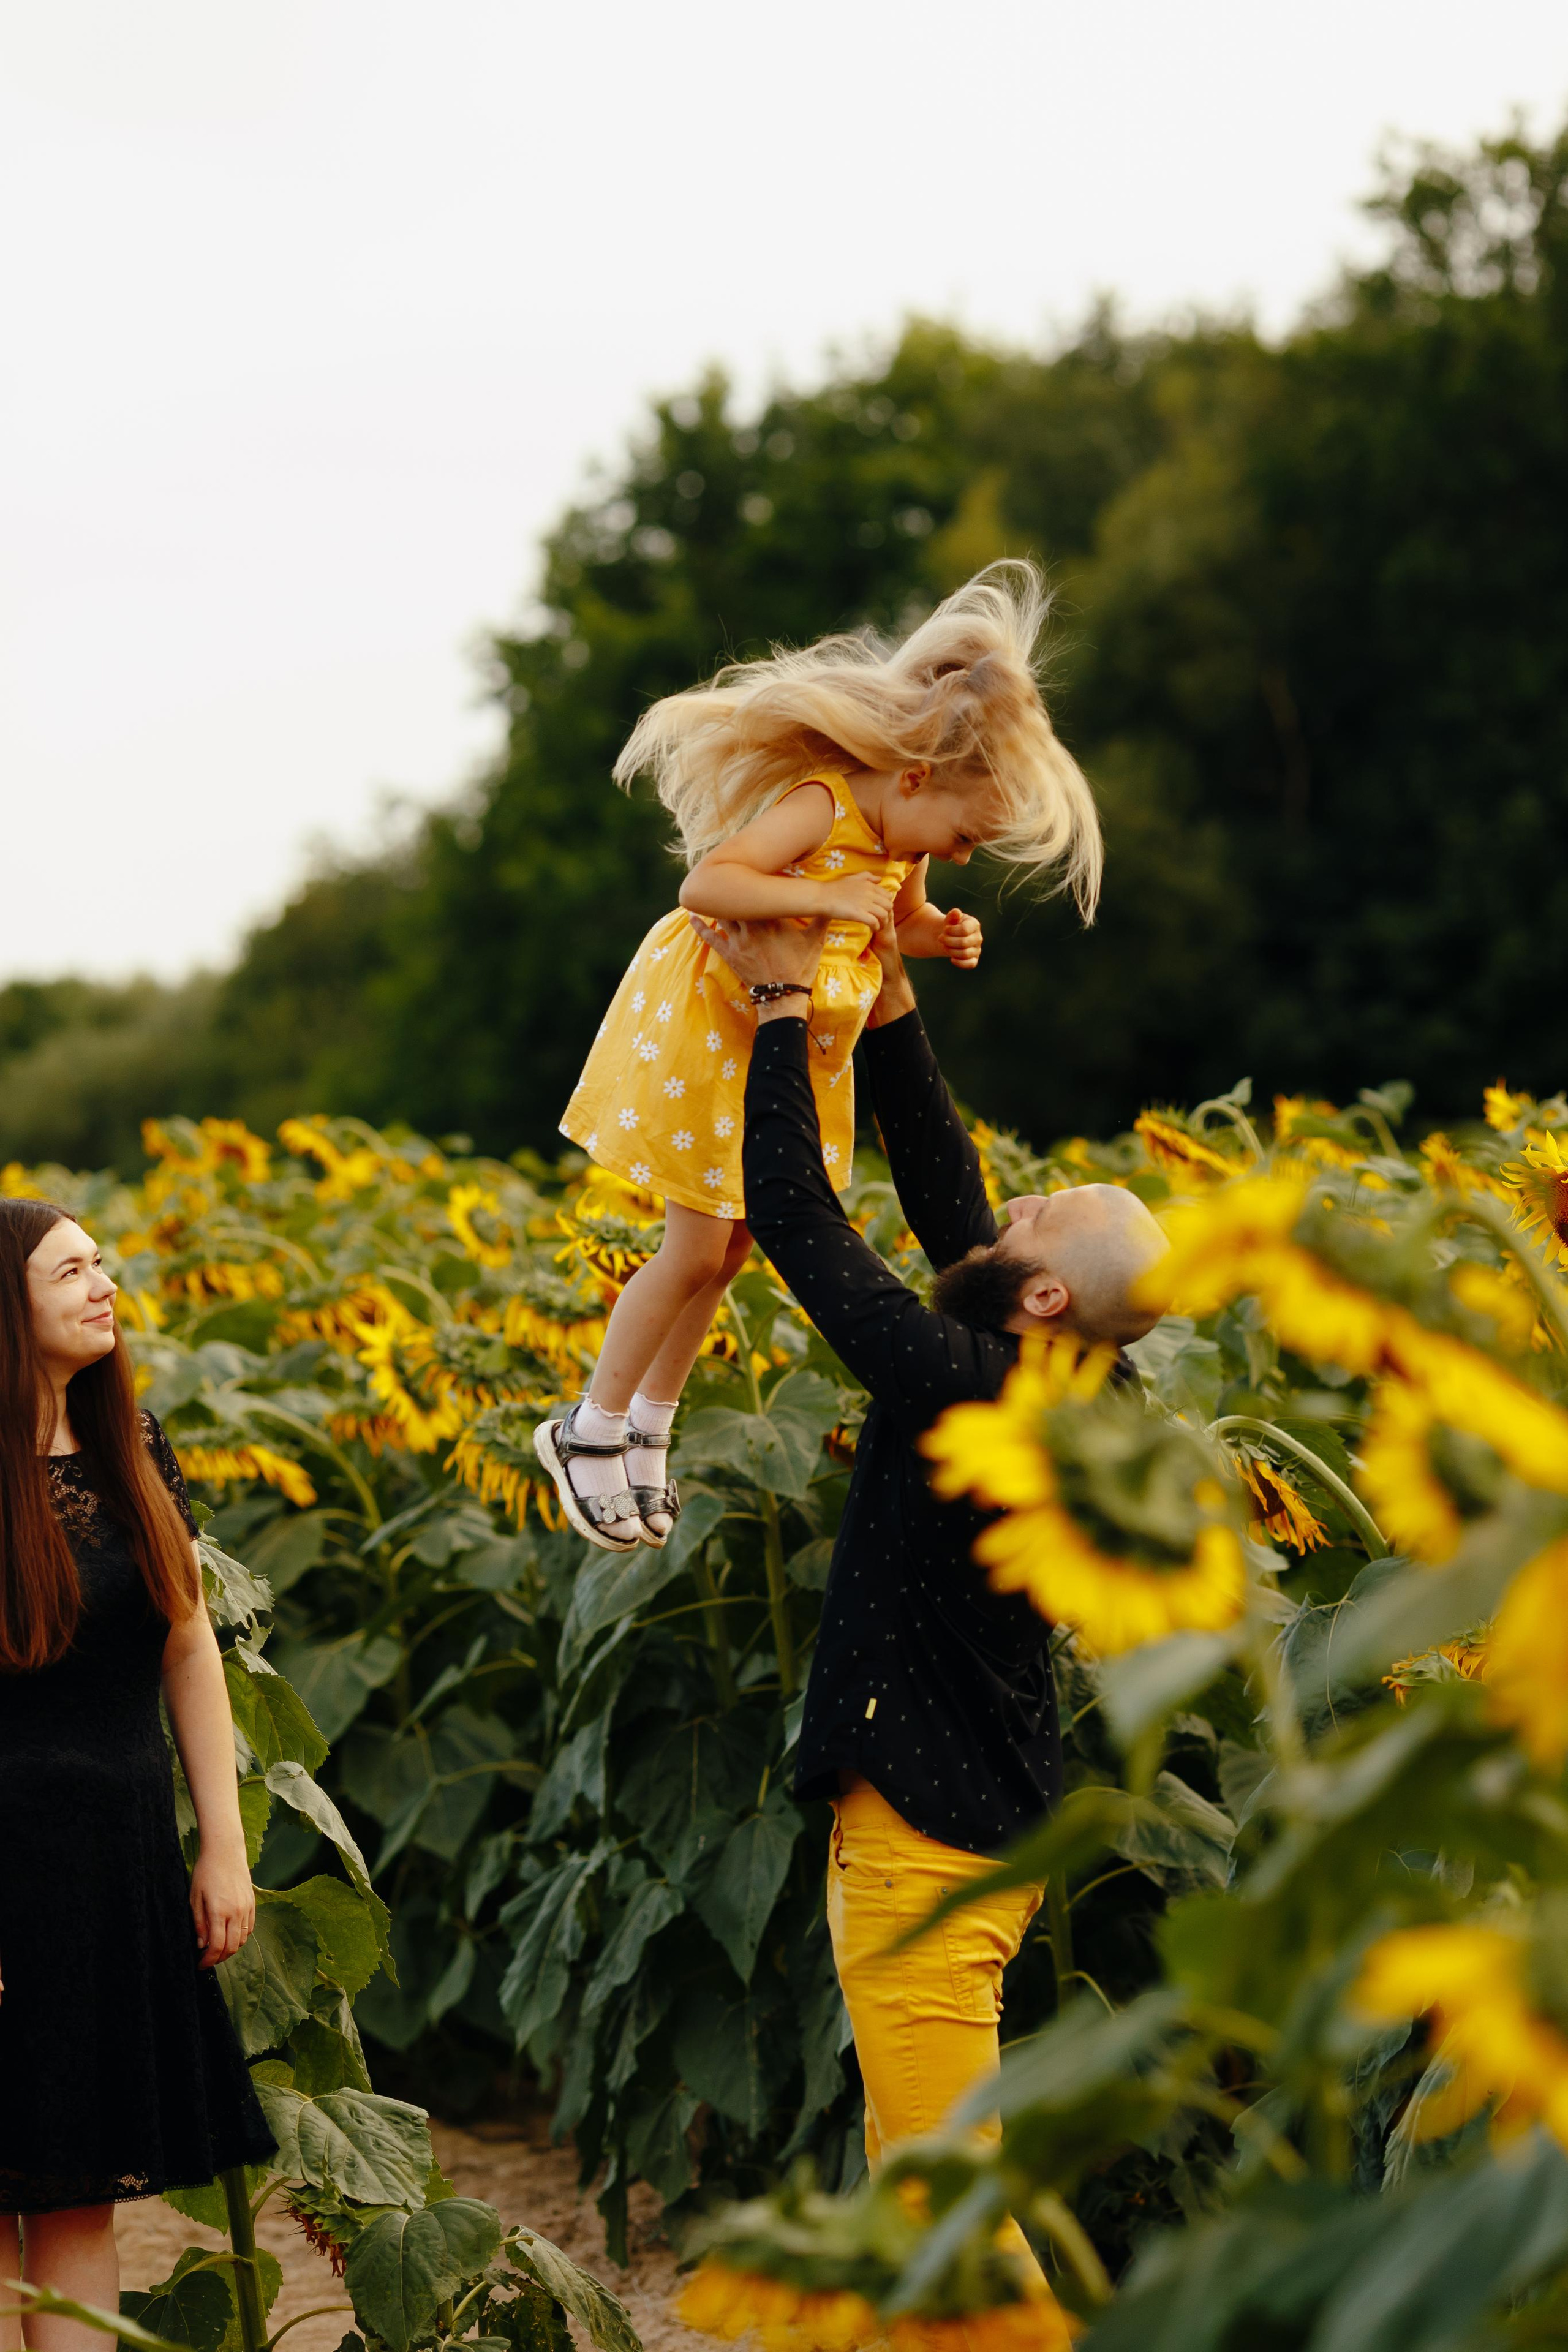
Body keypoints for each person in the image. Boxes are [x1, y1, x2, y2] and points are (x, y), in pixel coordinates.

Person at [688, 905, 1165, 2323]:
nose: (1011, 1205)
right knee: (920, 2184)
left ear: (1041, 1291)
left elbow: (797, 1221)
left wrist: (781, 1010)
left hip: (923, 1850)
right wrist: (888, 996)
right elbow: (949, 1193)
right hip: (967, 1822)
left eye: (1036, 1217)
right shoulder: (1073, 1372)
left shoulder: (967, 1385)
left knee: (944, 2210)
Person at [535, 561, 1102, 1554]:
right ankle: (589, 1428)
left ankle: (651, 1428)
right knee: (693, 1249)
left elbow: (895, 923)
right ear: (917, 779)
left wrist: (938, 936)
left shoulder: (902, 843)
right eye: (965, 833)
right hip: (714, 1027)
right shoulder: (824, 804)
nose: (960, 855)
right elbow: (709, 886)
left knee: (734, 1250)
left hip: (781, 1042)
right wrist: (822, 899)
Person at [0, 1199, 274, 2352]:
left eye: (101, 1264)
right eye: (70, 1272)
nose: (104, 1286)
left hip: (112, 1870)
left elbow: (189, 1645)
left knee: (79, 2192)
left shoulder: (132, 1445)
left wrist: (223, 1845)